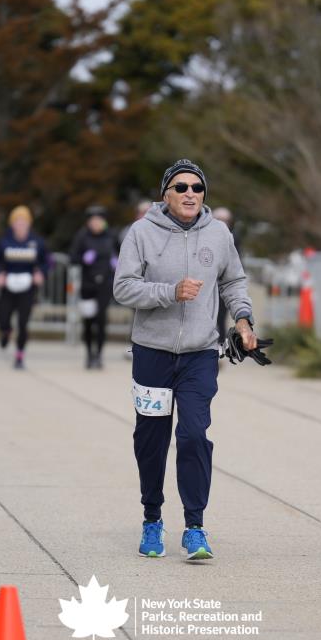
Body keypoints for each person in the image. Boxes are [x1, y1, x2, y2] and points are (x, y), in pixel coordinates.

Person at [114, 159, 258, 560]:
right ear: (166, 194)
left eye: (197, 187)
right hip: (152, 353)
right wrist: (169, 292)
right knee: (151, 440)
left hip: (200, 353)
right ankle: (152, 519)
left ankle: (195, 527)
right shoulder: (142, 233)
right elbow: (123, 287)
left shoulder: (219, 233)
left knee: (194, 435)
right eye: (181, 187)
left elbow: (233, 280)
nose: (190, 193)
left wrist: (243, 319)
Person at [0, 205, 49, 370]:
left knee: (23, 322)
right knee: (3, 317)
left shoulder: (37, 242)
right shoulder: (4, 242)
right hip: (8, 286)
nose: (21, 224)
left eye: (24, 220)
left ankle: (19, 356)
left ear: (29, 223)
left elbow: (47, 261)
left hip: (28, 287)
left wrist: (41, 273)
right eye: (17, 221)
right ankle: (6, 331)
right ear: (12, 223)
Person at [70, 205, 120, 370]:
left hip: (105, 283)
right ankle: (89, 354)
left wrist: (116, 261)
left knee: (101, 319)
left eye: (99, 220)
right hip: (88, 284)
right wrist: (83, 259)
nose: (96, 223)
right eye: (93, 220)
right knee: (88, 320)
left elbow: (123, 254)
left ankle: (98, 354)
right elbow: (73, 257)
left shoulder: (111, 236)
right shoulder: (82, 236)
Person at [212, 207, 242, 346]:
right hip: (206, 285)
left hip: (223, 286)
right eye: (219, 220)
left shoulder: (233, 238)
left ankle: (220, 347)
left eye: (225, 220)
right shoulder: (203, 237)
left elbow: (236, 267)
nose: (222, 223)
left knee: (221, 318)